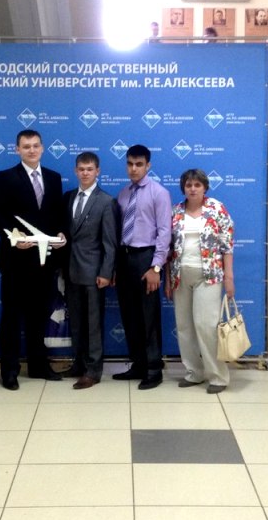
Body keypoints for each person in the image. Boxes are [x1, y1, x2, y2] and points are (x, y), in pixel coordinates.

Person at [0, 129, 67, 390]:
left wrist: (61, 233)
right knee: (11, 317)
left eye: (35, 146)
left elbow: (56, 215)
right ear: (17, 150)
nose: (31, 150)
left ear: (42, 148)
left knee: (39, 316)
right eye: (26, 146)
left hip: (44, 261)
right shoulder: (6, 177)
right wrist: (13, 237)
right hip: (15, 260)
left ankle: (38, 366)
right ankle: (9, 371)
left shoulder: (54, 178)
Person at [165, 169, 235, 394]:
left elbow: (227, 245)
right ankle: (194, 372)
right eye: (188, 185)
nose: (193, 189)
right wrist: (168, 280)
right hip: (180, 276)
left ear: (205, 187)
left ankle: (217, 376)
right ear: (183, 188)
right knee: (184, 327)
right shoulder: (175, 211)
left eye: (197, 185)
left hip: (209, 276)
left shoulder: (216, 209)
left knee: (206, 326)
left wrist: (229, 277)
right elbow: (168, 250)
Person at [114, 144, 172, 389]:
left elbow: (165, 232)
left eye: (139, 164)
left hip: (146, 258)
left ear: (148, 165)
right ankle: (138, 364)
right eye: (130, 164)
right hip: (125, 257)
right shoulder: (123, 194)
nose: (133, 168)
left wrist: (156, 267)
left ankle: (153, 369)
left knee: (149, 317)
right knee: (129, 315)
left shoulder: (159, 193)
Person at [62, 152, 118, 389]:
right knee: (76, 322)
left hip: (94, 272)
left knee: (93, 324)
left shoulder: (106, 201)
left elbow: (110, 243)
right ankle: (79, 363)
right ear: (76, 171)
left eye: (89, 169)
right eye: (81, 169)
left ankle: (93, 370)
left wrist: (106, 272)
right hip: (71, 270)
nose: (85, 173)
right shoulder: (68, 197)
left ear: (98, 171)